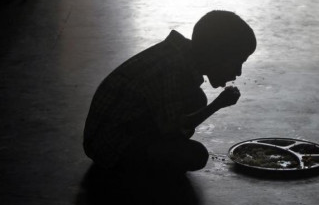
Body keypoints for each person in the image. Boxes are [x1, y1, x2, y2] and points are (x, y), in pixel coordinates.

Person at [83, 10, 257, 173]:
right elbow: (174, 127)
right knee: (194, 155)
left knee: (196, 99)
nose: (238, 72)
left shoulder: (179, 56)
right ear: (215, 55)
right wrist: (217, 104)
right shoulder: (171, 69)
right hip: (108, 148)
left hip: (112, 134)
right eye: (236, 62)